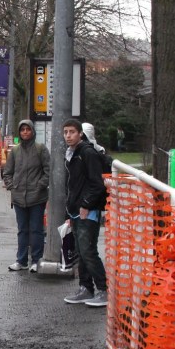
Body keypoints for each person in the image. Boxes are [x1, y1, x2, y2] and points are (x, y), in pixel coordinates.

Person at [62, 118, 108, 307]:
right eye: (65, 132)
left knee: (88, 250)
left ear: (80, 133)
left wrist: (86, 204)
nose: (68, 136)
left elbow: (97, 184)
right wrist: (69, 213)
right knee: (81, 251)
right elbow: (73, 186)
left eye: (72, 132)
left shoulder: (87, 153)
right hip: (77, 210)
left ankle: (104, 290)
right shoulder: (73, 154)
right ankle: (85, 288)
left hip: (88, 210)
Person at [1, 119, 50, 273]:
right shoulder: (15, 151)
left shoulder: (40, 149)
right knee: (22, 229)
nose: (25, 132)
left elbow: (48, 170)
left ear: (32, 131)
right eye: (22, 130)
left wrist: (40, 185)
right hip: (19, 198)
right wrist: (12, 186)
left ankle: (36, 260)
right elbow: (7, 172)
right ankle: (21, 260)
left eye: (28, 129)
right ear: (19, 133)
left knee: (36, 229)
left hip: (37, 198)